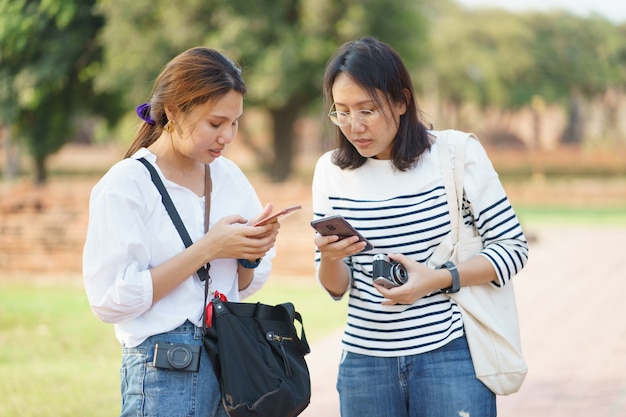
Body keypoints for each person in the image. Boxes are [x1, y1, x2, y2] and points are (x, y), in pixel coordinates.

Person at [312, 36, 529, 417]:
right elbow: (336, 287)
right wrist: (330, 258)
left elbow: (513, 248)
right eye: (341, 111)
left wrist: (437, 278)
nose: (354, 126)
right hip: (364, 366)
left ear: (401, 101)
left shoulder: (454, 154)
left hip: (449, 357)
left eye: (367, 110)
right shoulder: (330, 170)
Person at [83, 46, 280, 417]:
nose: (228, 136)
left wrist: (250, 252)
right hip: (163, 372)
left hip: (229, 363)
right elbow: (110, 300)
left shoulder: (229, 178)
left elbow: (245, 284)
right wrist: (208, 249)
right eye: (216, 123)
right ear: (173, 111)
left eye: (235, 123)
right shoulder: (127, 184)